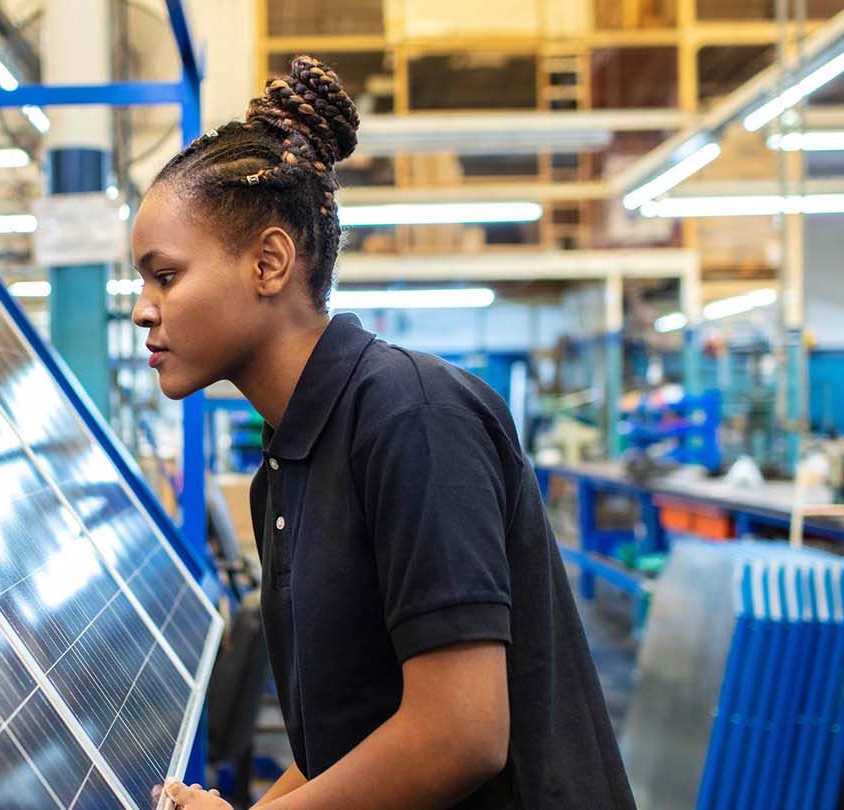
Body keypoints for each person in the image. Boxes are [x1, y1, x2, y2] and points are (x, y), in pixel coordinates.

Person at [132, 56, 635, 809]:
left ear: (269, 263)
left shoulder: (413, 417)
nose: (143, 308)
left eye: (164, 275)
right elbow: (352, 740)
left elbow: (459, 733)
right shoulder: (290, 465)